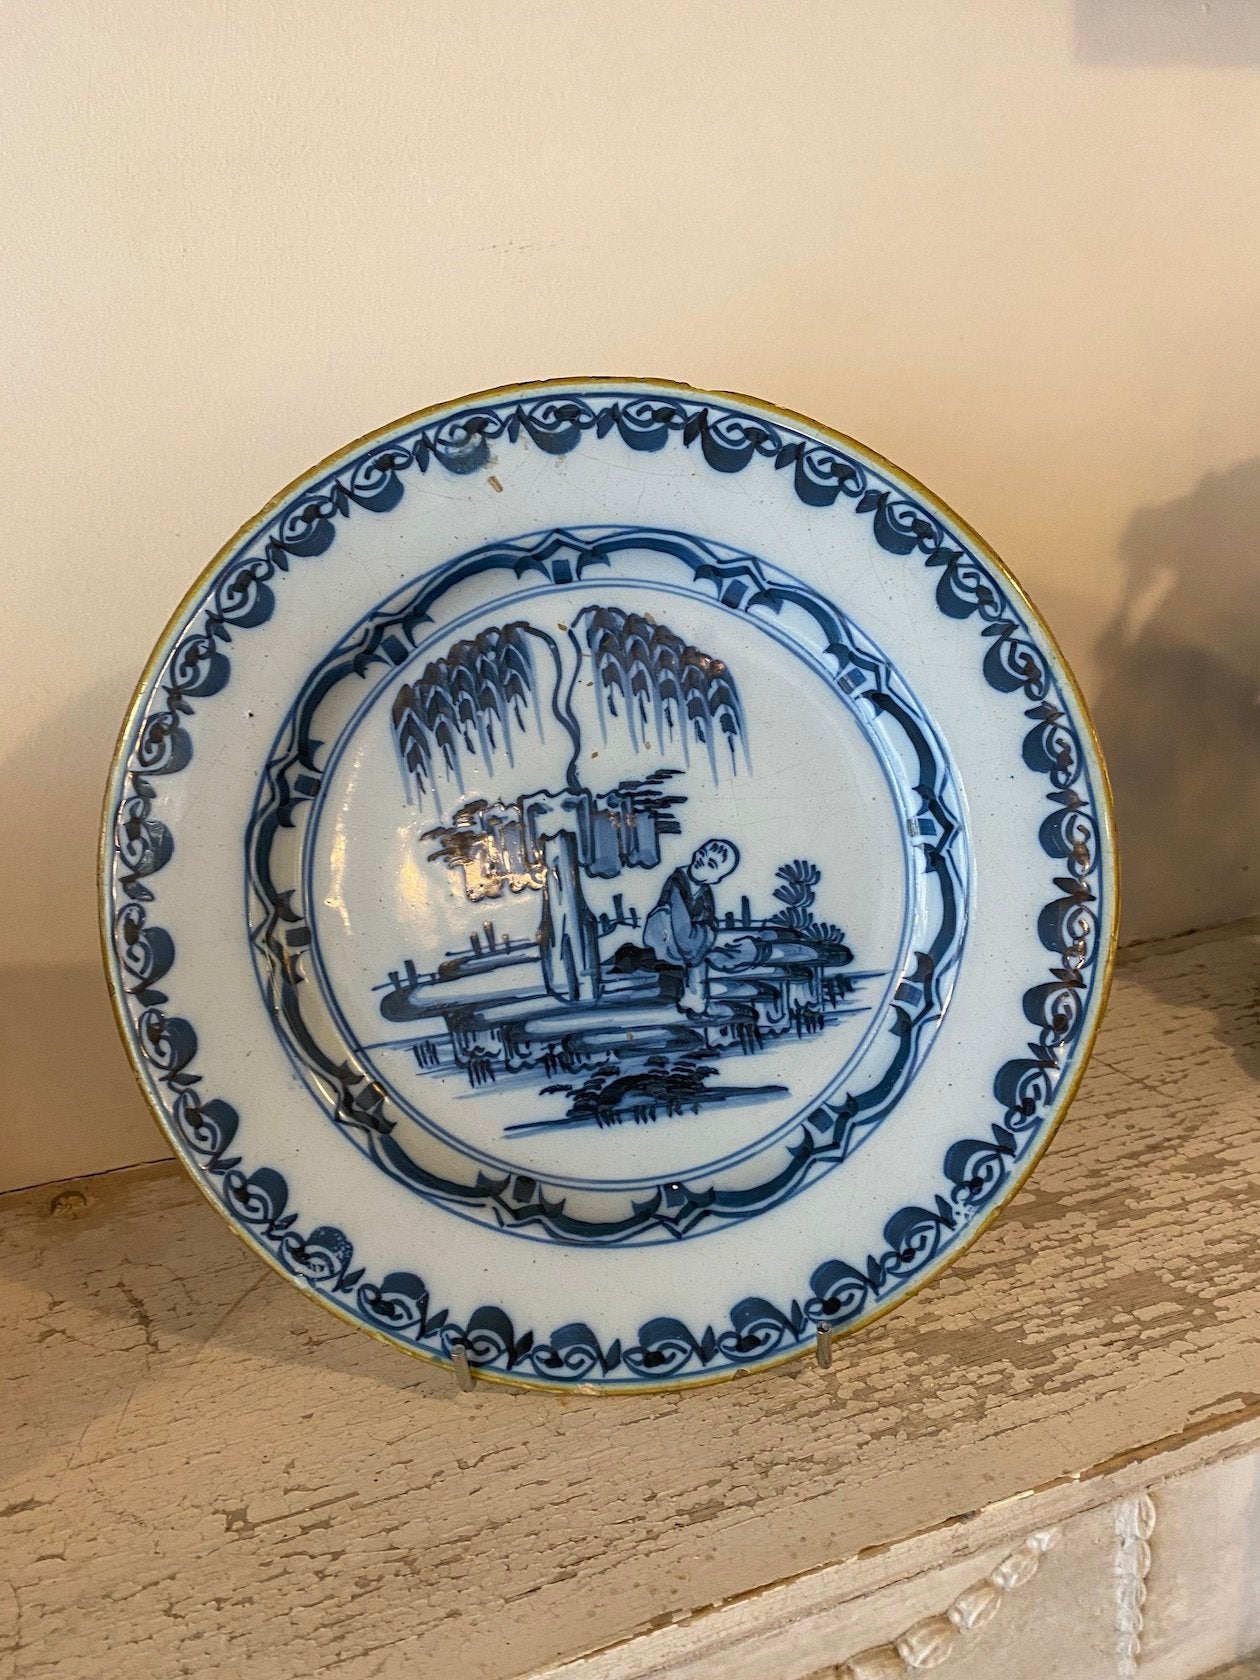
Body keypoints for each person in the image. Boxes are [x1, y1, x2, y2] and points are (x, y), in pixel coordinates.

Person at [643, 839, 759, 1016]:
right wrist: (695, 947)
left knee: (702, 942)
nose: (702, 861)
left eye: (710, 864)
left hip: (686, 941)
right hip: (664, 936)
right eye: (702, 853)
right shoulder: (678, 880)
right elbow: (678, 920)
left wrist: (703, 940)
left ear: (716, 878)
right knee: (693, 944)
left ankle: (695, 996)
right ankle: (694, 995)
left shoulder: (705, 889)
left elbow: (709, 921)